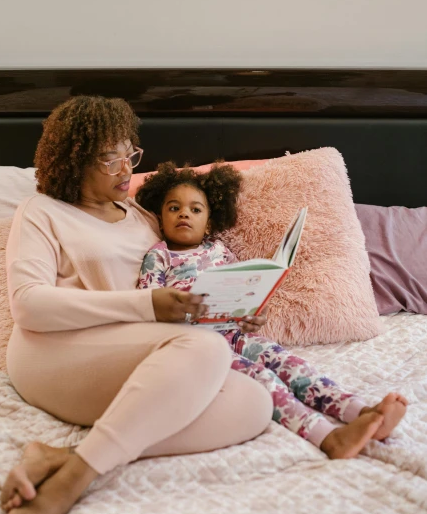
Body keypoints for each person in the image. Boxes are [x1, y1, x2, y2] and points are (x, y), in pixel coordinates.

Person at [1, 96, 274, 514]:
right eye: (109, 157)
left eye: (130, 153)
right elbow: (28, 305)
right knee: (204, 350)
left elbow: (176, 288)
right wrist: (147, 305)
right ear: (73, 160)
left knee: (254, 403)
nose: (125, 167)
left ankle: (61, 456)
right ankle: (67, 488)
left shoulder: (144, 218)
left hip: (132, 350)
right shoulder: (41, 211)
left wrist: (232, 309)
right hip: (52, 351)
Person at [135, 161, 408, 460]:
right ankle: (328, 437)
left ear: (210, 223)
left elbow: (240, 292)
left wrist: (253, 315)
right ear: (161, 219)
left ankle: (359, 410)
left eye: (195, 210)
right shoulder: (159, 255)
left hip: (234, 333)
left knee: (290, 363)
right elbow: (147, 304)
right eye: (174, 208)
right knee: (264, 379)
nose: (184, 213)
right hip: (200, 344)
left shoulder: (220, 252)